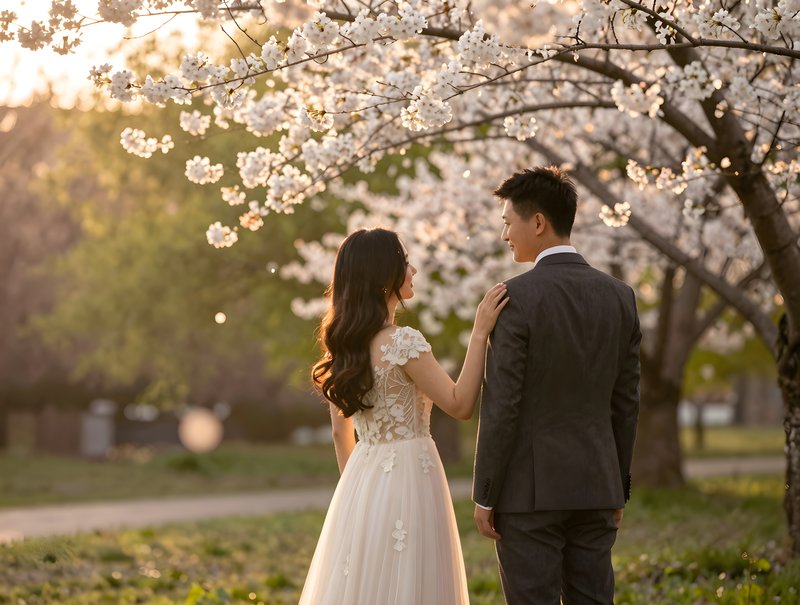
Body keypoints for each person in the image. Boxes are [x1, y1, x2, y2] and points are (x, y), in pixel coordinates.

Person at [299, 227, 508, 605]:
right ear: (385, 276)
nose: (413, 271)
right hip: (412, 473)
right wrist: (480, 334)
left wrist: (362, 493)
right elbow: (460, 404)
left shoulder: (342, 349)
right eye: (405, 262)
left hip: (361, 480)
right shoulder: (402, 343)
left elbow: (338, 434)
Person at [472, 167, 641, 605]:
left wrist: (486, 494)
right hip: (597, 485)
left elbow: (502, 404)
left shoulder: (513, 298)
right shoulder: (621, 296)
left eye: (508, 222)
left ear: (539, 222)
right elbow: (626, 403)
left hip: (529, 495)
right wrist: (617, 485)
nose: (505, 234)